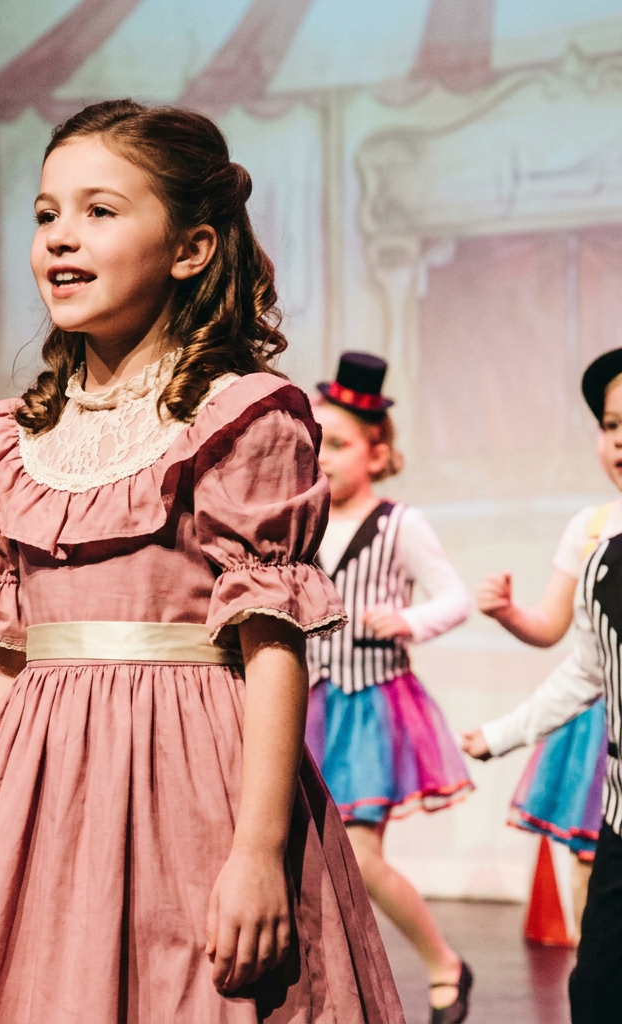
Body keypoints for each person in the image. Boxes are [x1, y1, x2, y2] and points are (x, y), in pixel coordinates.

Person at [0, 99, 403, 1024]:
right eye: (45, 215)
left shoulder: (242, 415)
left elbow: (272, 644)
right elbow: (4, 651)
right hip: (35, 782)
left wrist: (257, 850)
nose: (62, 239)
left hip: (189, 774)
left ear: (190, 248)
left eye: (99, 212)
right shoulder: (9, 439)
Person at [306, 352, 474, 1024]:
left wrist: (406, 620)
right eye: (316, 442)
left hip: (371, 704)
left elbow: (454, 597)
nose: (322, 458)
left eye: (339, 446)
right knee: (306, 856)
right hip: (312, 699)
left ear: (377, 456)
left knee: (362, 856)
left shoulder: (401, 524)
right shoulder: (304, 517)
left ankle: (443, 962)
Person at [462, 349, 622, 1022]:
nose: (621, 441)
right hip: (619, 809)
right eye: (612, 424)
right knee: (596, 991)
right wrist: (500, 734)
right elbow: (586, 665)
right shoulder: (599, 543)